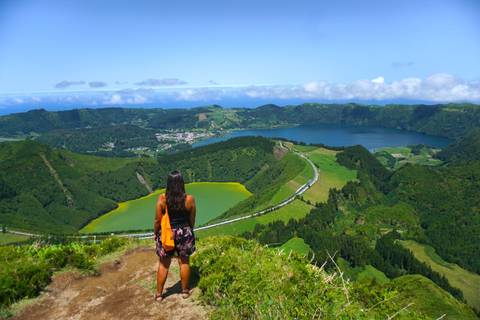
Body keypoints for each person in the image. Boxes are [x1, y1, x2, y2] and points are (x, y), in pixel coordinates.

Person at [154, 170, 196, 302]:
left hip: (167, 233)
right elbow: (192, 219)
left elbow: (157, 220)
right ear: (182, 183)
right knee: (184, 262)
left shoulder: (162, 199)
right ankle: (185, 291)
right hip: (184, 232)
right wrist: (188, 231)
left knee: (164, 264)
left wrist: (156, 233)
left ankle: (160, 295)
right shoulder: (189, 199)